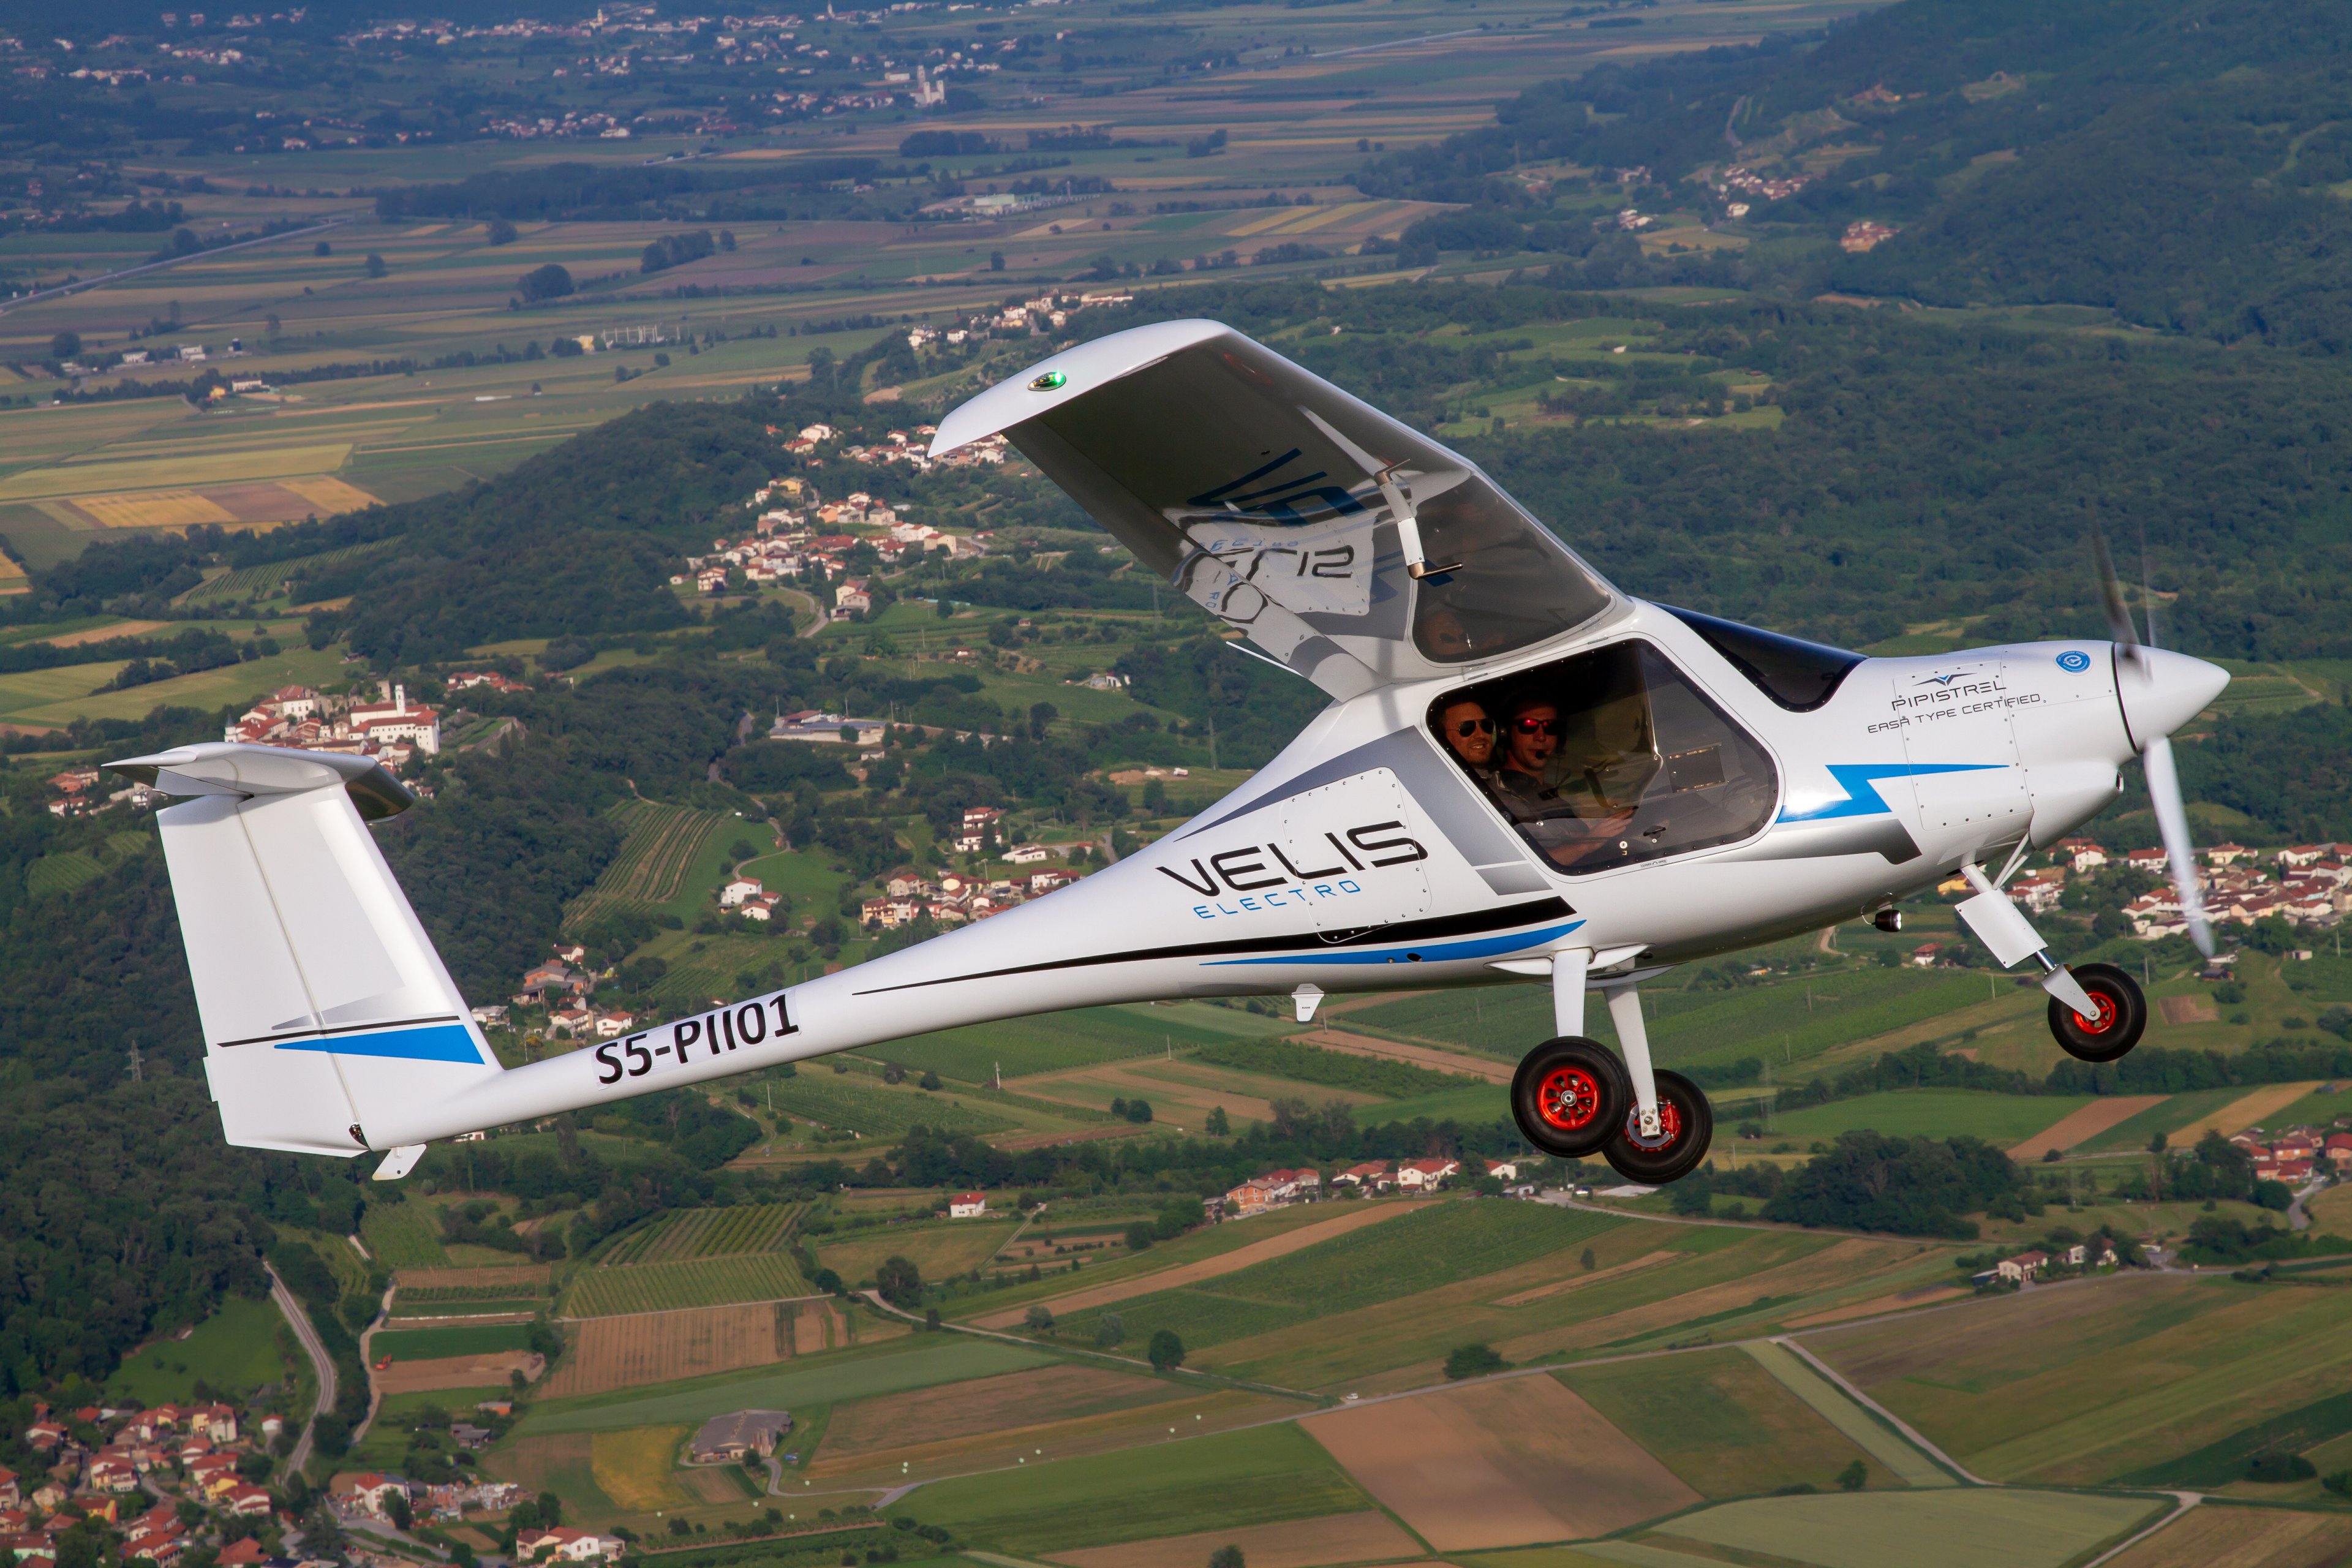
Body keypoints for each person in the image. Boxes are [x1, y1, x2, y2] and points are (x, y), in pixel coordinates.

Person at [1490, 690, 1642, 870]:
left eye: (1551, 727)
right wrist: (1588, 843)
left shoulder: (1549, 795)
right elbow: (1521, 867)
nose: (1541, 737)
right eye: (1528, 726)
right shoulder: (1498, 795)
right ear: (1505, 733)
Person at [1436, 698, 1495, 772]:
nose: (1481, 735)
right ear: (1443, 737)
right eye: (1467, 728)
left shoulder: (1501, 778)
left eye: (1486, 725)